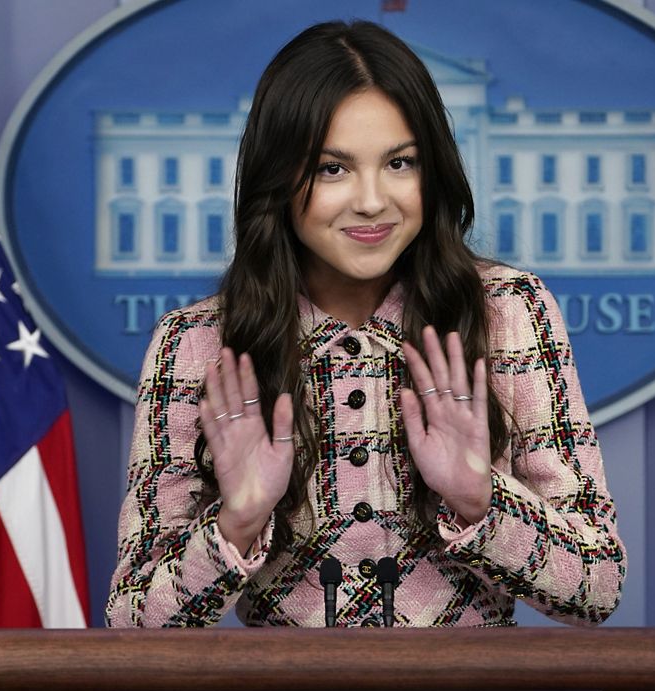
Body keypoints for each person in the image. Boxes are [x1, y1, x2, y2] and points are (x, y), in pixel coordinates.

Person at [106, 20, 625, 628]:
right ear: (278, 178)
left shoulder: (508, 310)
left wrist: (480, 498)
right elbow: (133, 621)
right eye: (333, 169)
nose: (373, 200)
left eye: (400, 162)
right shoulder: (195, 346)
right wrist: (237, 522)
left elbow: (598, 586)